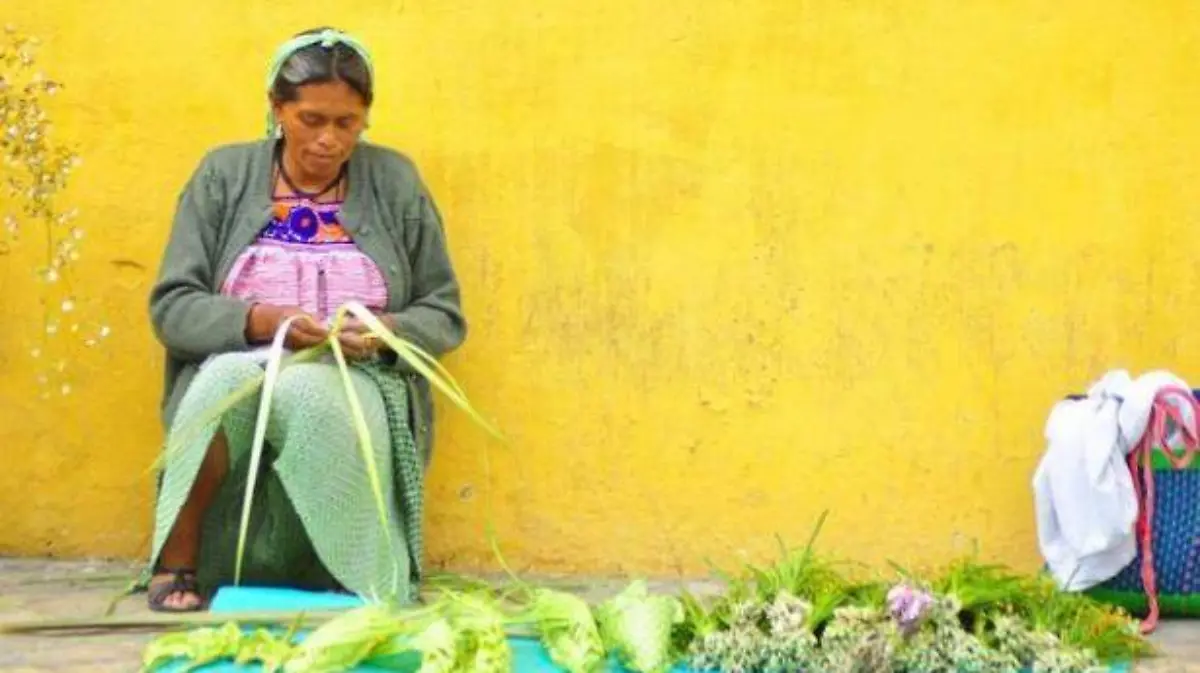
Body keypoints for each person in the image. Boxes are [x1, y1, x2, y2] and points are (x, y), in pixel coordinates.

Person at [143, 27, 466, 612]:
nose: (328, 139)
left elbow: (443, 314)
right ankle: (178, 560)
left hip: (361, 375)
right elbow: (172, 306)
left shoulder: (394, 180)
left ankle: (363, 575)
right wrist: (266, 321)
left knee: (314, 393)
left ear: (366, 119)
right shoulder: (223, 174)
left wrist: (383, 333)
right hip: (243, 355)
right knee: (220, 386)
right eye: (311, 119)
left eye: (347, 123)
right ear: (277, 108)